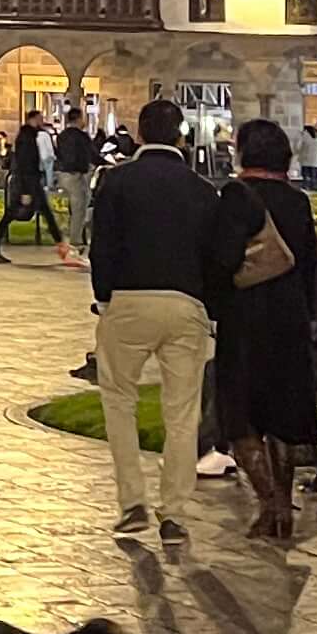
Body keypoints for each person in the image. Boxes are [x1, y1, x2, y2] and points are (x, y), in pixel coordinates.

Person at [89, 100, 217, 548]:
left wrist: (104, 300)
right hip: (185, 303)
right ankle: (175, 512)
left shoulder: (116, 181)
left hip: (128, 298)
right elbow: (213, 256)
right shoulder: (201, 189)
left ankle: (132, 502)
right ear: (181, 137)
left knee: (119, 401)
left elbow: (101, 246)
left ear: (139, 135)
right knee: (182, 411)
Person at [204, 118, 317, 543]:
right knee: (279, 413)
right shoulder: (297, 202)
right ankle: (283, 502)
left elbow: (222, 260)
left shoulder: (236, 197)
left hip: (245, 320)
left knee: (241, 417)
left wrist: (214, 303)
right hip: (290, 320)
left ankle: (269, 506)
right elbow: (310, 264)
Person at [0, 110, 62, 263]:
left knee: (41, 212)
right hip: (27, 181)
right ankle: (61, 246)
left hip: (30, 180)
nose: (42, 122)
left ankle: (61, 245)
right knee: (14, 214)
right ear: (32, 120)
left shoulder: (29, 136)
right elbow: (24, 163)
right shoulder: (26, 138)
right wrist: (25, 190)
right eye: (39, 119)